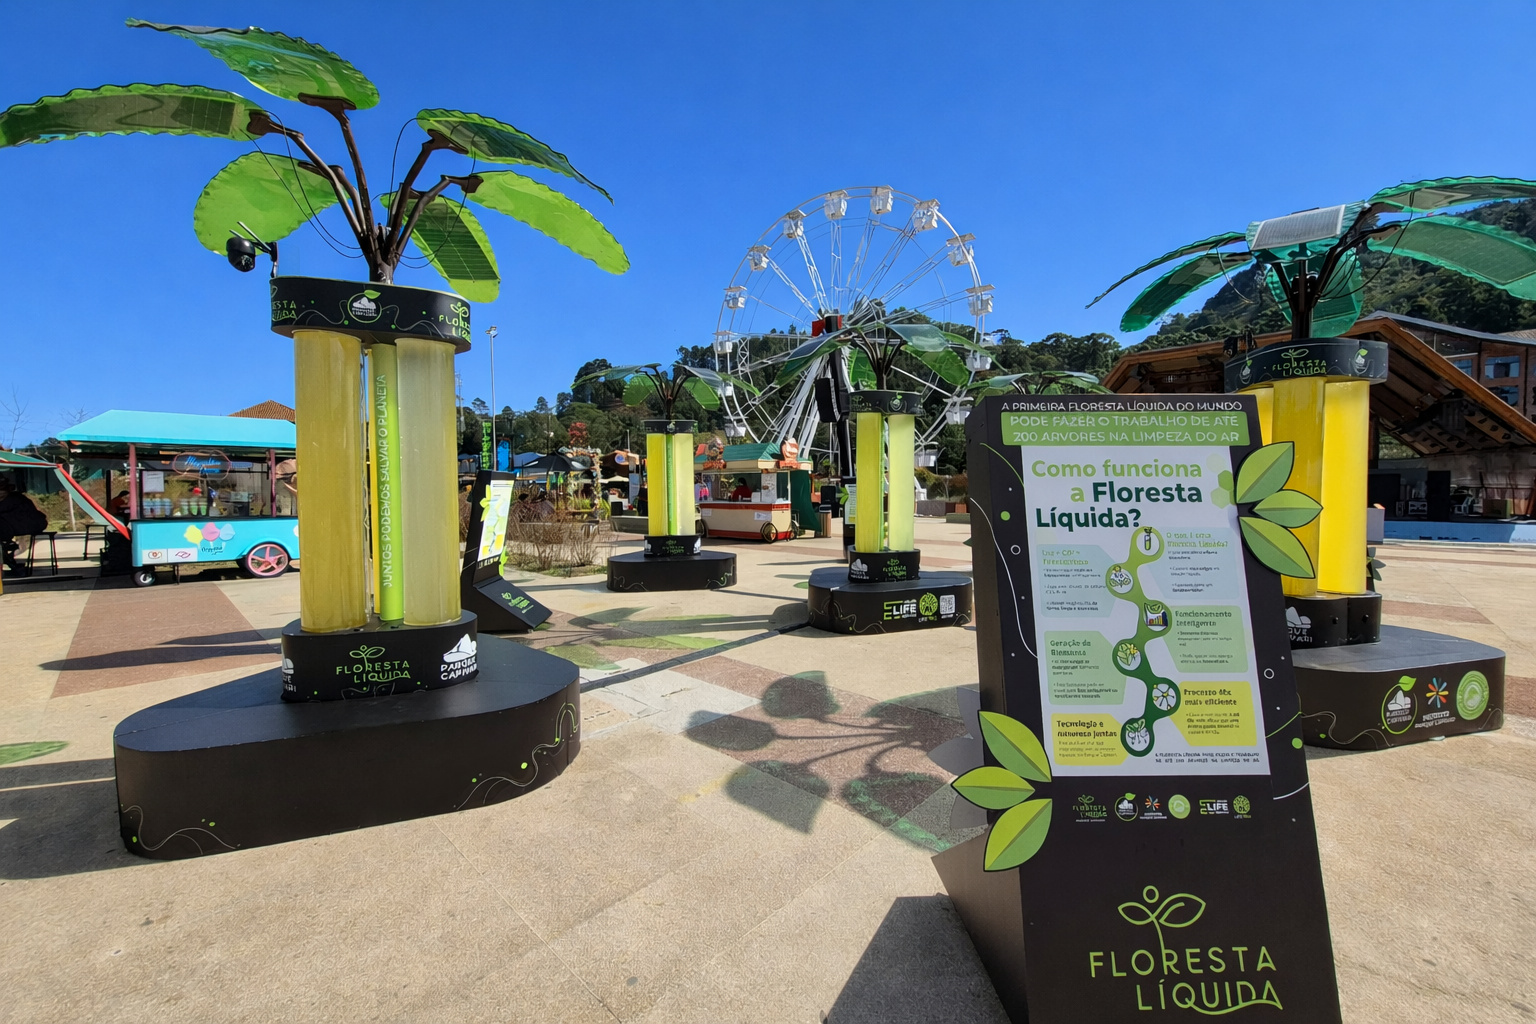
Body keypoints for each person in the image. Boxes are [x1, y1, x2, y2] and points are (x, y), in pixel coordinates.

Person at [0, 477, 47, 576]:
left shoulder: (14, 499)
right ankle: (8, 557)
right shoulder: (14, 499)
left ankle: (9, 558)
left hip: (30, 525)